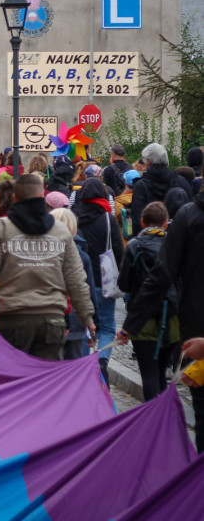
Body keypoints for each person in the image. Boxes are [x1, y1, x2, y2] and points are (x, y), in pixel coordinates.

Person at [0, 174, 96, 360]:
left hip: (13, 317)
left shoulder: (1, 228)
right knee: (44, 382)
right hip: (52, 320)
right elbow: (75, 279)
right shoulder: (60, 230)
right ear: (43, 195)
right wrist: (87, 318)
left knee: (15, 382)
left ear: (15, 198)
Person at [122, 182, 204, 451]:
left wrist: (130, 324)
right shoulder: (189, 217)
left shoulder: (191, 217)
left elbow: (161, 276)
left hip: (193, 330)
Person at [115, 202, 179, 401]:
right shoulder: (175, 245)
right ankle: (165, 417)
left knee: (149, 374)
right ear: (166, 224)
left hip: (143, 319)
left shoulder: (135, 246)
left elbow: (124, 284)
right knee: (162, 373)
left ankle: (153, 419)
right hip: (172, 317)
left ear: (142, 222)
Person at [72, 177, 123, 379]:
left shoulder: (72, 217)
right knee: (108, 326)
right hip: (104, 280)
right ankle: (102, 361)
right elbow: (118, 251)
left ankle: (82, 367)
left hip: (80, 279)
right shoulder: (107, 219)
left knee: (84, 326)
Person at [50, 207, 100, 360]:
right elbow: (87, 290)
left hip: (50, 318)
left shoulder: (43, 254)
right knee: (72, 366)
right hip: (75, 319)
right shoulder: (82, 256)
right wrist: (93, 323)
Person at [130, 143, 193, 236]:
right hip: (179, 239)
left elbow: (137, 219)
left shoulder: (141, 185)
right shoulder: (181, 181)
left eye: (144, 159)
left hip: (149, 241)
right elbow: (190, 212)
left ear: (149, 162)